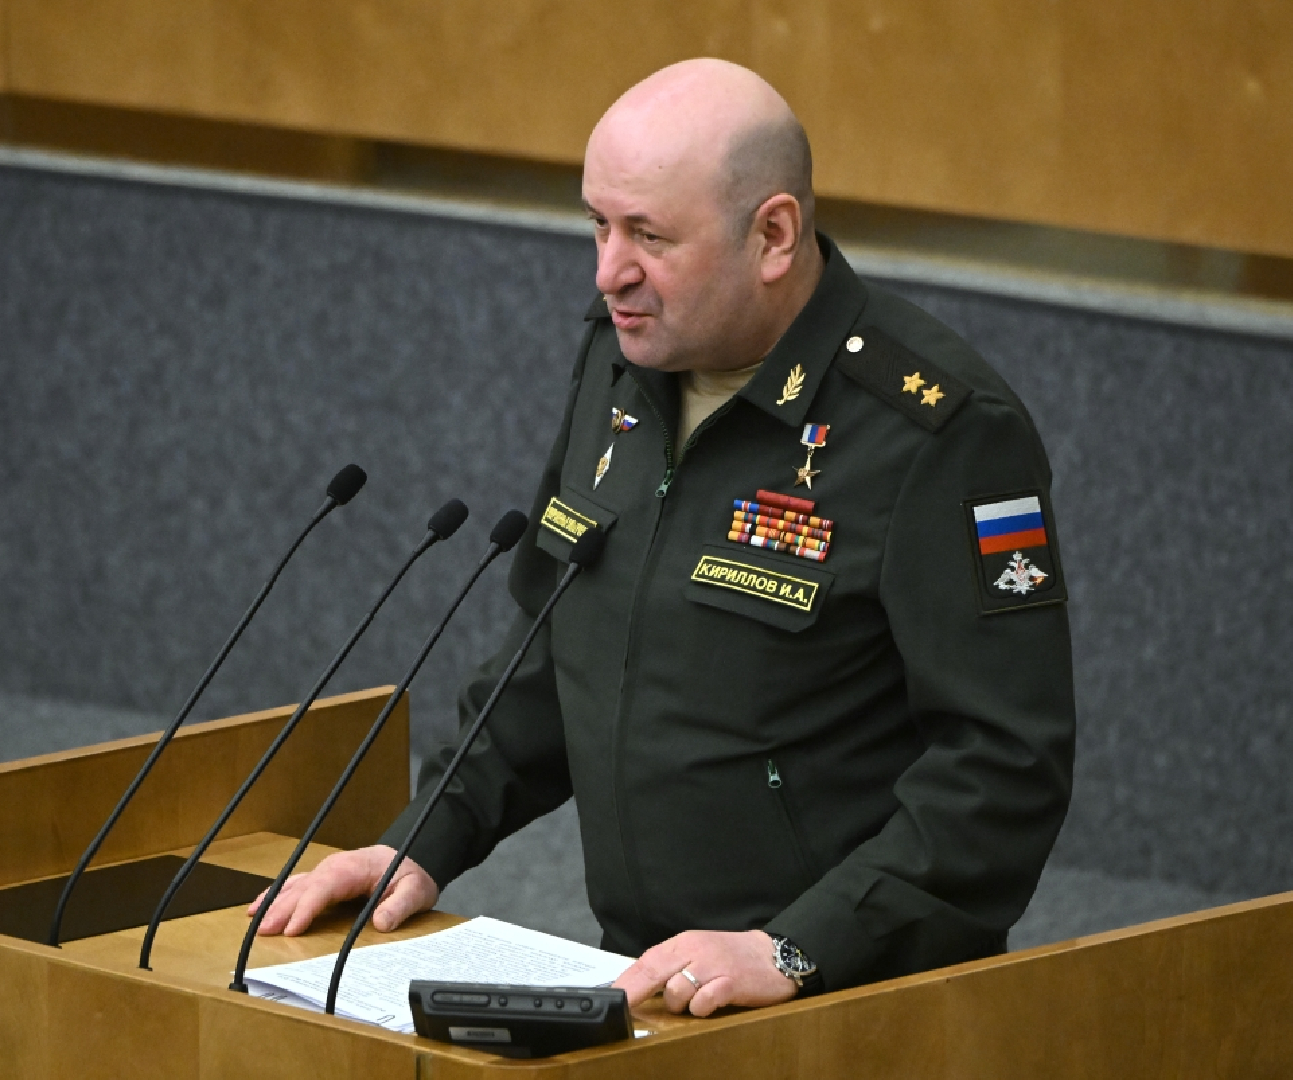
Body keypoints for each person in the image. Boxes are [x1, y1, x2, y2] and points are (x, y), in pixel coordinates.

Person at [252, 57, 1075, 1018]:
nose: (610, 273)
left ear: (773, 235)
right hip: (649, 982)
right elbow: (553, 649)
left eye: (649, 235)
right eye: (598, 225)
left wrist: (800, 948)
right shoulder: (622, 359)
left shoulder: (937, 429)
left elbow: (1004, 766)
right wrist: (421, 840)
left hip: (847, 999)